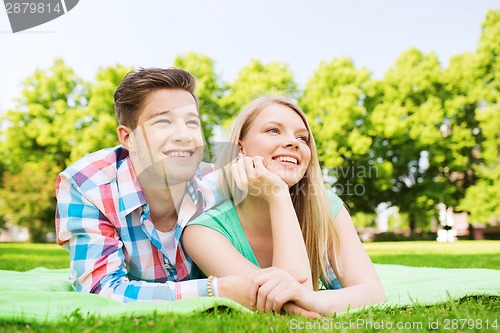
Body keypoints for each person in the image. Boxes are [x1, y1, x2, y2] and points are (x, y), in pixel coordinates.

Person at [55, 68, 310, 308]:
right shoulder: (88, 186)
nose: (184, 135)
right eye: (163, 122)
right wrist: (217, 290)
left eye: (192, 123)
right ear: (128, 137)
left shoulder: (217, 182)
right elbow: (101, 291)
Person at [183, 96, 386, 315]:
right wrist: (277, 194)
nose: (294, 142)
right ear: (240, 147)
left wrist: (316, 301)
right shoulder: (202, 231)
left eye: (303, 137)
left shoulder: (327, 208)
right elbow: (285, 306)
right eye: (273, 130)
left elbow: (373, 292)